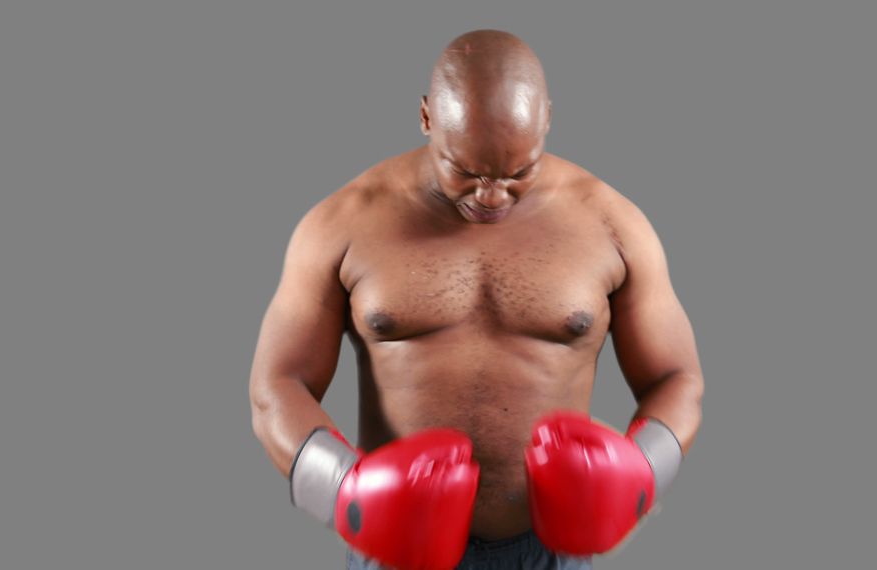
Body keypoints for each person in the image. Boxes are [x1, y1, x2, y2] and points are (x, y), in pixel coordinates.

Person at [249, 29, 704, 570]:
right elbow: (276, 386)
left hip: (550, 552)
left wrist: (642, 474)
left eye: (519, 173)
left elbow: (678, 379)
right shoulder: (343, 223)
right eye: (466, 172)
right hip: (399, 552)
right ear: (425, 118)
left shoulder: (612, 224)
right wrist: (343, 491)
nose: (492, 196)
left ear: (548, 120)